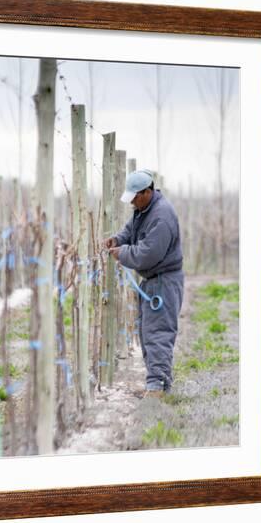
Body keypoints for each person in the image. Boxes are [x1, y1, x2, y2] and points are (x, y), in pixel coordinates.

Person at [103, 169, 184, 398]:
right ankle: (158, 384)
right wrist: (118, 239)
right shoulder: (143, 210)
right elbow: (131, 230)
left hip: (164, 282)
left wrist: (123, 252)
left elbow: (149, 254)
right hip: (154, 281)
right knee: (147, 333)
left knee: (158, 333)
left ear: (146, 192)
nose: (132, 203)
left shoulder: (162, 216)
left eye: (134, 197)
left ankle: (157, 388)